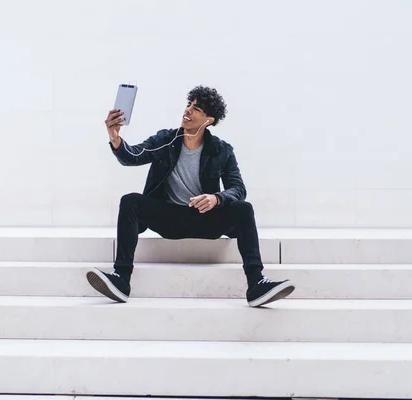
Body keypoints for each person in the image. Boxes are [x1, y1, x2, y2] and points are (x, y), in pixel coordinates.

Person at [87, 86, 295, 307]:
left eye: (196, 109)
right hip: (170, 219)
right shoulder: (165, 139)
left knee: (244, 208)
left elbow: (238, 189)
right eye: (189, 104)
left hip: (205, 218)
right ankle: (120, 280)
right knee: (130, 200)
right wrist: (115, 137)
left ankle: (256, 283)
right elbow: (133, 156)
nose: (188, 110)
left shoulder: (222, 150)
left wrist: (217, 198)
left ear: (208, 120)